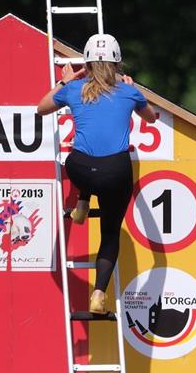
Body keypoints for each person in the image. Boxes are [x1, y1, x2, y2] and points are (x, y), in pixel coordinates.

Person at [37, 34, 158, 314]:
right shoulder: (129, 92)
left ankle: (81, 201)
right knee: (110, 232)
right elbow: (151, 117)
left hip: (79, 171)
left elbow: (41, 107)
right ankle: (99, 294)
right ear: (117, 65)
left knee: (86, 157)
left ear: (87, 64)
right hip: (114, 173)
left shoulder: (74, 88)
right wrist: (135, 90)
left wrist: (66, 79)